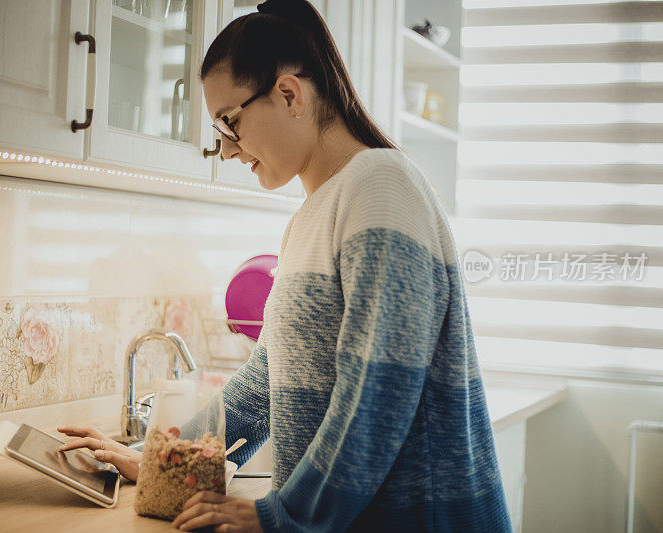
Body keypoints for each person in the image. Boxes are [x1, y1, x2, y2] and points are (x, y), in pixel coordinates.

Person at [58, 0, 512, 531]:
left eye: (229, 123)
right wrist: (166, 463)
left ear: (290, 93)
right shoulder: (310, 219)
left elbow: (377, 394)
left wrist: (285, 515)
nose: (226, 150)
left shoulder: (382, 187)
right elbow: (265, 381)